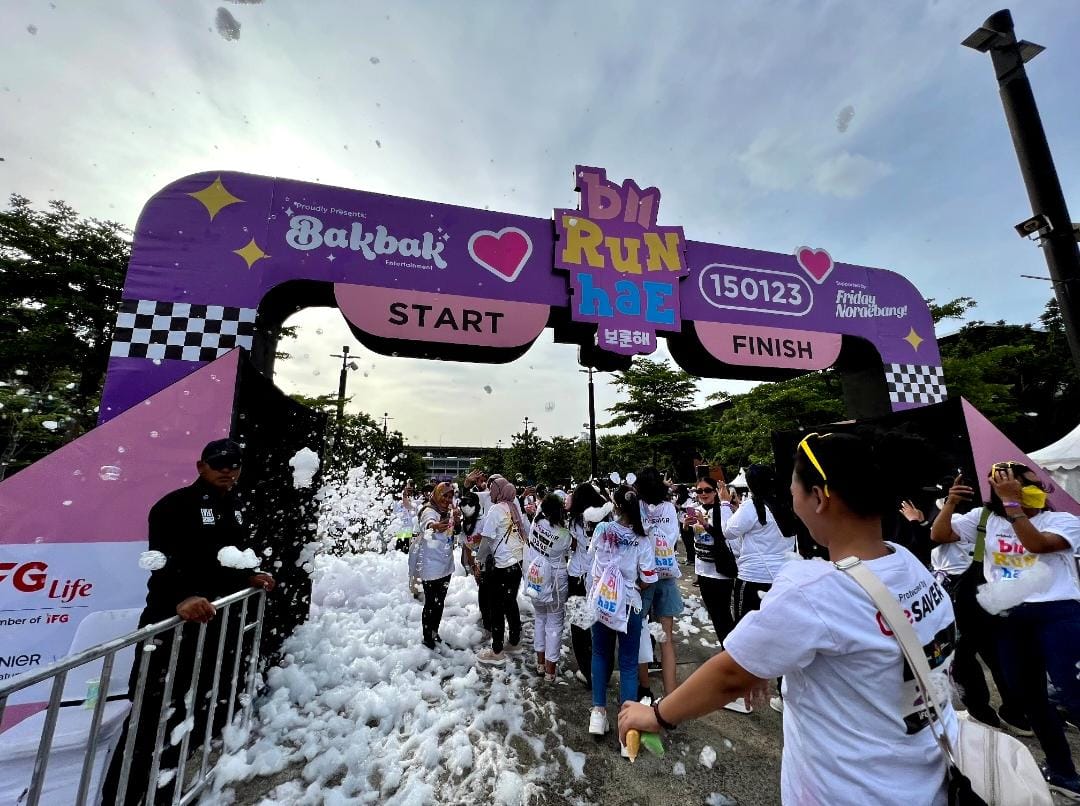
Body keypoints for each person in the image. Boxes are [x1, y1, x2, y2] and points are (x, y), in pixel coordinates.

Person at [620, 432, 961, 805]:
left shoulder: (815, 588)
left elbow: (730, 674)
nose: (790, 496)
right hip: (927, 781)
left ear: (819, 496)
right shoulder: (907, 563)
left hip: (852, 791)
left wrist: (658, 715)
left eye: (794, 486)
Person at [101, 439, 275, 806]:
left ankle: (165, 790)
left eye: (234, 464)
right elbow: (161, 560)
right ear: (201, 466)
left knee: (192, 714)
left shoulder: (237, 507)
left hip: (212, 629)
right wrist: (182, 596)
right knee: (149, 720)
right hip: (171, 628)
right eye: (219, 463)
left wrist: (250, 577)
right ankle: (123, 797)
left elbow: (225, 560)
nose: (227, 470)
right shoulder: (174, 506)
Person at [931, 461, 1080, 797]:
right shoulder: (985, 519)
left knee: (1073, 694)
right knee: (1031, 699)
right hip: (1008, 617)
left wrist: (1013, 506)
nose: (1036, 489)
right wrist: (952, 503)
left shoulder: (1062, 521)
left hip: (1057, 613)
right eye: (1025, 484)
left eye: (1034, 484)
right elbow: (939, 535)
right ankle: (1063, 773)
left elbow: (1038, 545)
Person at [587, 483, 656, 753]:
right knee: (628, 664)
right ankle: (627, 733)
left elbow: (595, 566)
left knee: (600, 654)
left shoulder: (602, 531)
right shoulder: (642, 538)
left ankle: (598, 712)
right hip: (630, 606)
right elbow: (649, 577)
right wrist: (632, 589)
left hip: (602, 602)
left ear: (615, 507)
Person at [634, 467, 683, 698]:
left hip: (644, 577)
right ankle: (671, 693)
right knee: (667, 638)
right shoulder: (669, 509)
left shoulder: (637, 507)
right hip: (666, 575)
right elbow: (673, 539)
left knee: (640, 632)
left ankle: (644, 689)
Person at [474, 476, 526, 665]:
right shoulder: (514, 507)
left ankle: (497, 651)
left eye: (492, 488)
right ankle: (514, 641)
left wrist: (478, 560)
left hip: (502, 565)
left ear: (498, 491)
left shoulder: (496, 509)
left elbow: (487, 540)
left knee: (496, 605)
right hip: (517, 563)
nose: (490, 492)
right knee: (510, 602)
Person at [566, 481, 611, 686]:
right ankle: (604, 671)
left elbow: (572, 547)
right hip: (601, 577)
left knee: (579, 625)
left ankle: (586, 670)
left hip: (578, 575)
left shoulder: (575, 520)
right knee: (602, 627)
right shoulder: (608, 518)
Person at [525, 494, 573, 682]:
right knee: (554, 622)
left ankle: (540, 663)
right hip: (555, 580)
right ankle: (550, 671)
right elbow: (570, 548)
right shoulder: (563, 534)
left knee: (540, 619)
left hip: (536, 577)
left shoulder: (536, 523)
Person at [412, 482, 457, 649]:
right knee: (431, 603)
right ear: (437, 494)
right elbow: (427, 523)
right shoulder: (429, 510)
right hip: (431, 567)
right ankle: (427, 638)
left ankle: (434, 632)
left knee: (440, 602)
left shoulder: (448, 511)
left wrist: (457, 521)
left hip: (445, 565)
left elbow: (453, 532)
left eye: (450, 496)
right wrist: (434, 526)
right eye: (444, 495)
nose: (447, 499)